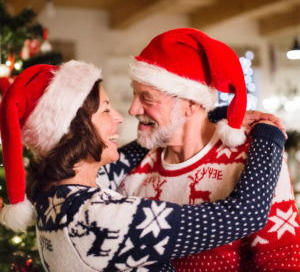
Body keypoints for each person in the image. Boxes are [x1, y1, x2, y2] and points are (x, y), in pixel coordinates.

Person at [0, 60, 285, 271]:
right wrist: (267, 133)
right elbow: (246, 215)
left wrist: (212, 113)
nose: (121, 116)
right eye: (106, 109)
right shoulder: (95, 219)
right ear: (76, 131)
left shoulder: (54, 197)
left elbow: (129, 154)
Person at [107, 28, 300, 271]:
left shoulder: (254, 159)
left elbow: (282, 262)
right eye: (135, 94)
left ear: (191, 104)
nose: (133, 109)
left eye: (147, 98)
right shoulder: (129, 168)